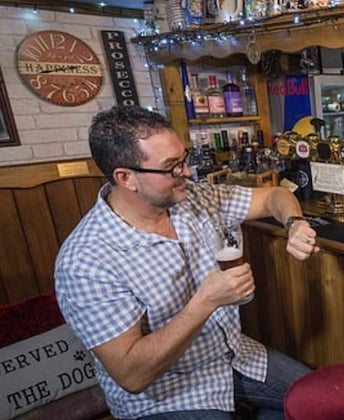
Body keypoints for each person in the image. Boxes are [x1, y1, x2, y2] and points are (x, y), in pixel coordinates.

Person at [55, 105, 320, 419]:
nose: (187, 172)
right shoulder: (85, 261)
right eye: (171, 167)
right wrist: (205, 302)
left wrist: (294, 224)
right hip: (166, 395)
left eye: (184, 159)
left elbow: (274, 196)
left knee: (327, 400)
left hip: (231, 357)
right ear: (126, 178)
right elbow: (132, 374)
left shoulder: (193, 197)